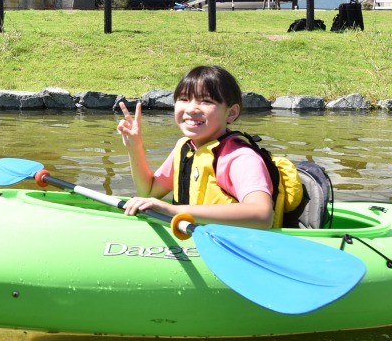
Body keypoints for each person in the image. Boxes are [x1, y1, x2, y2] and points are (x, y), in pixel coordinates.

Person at [116, 65, 276, 230]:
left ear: (231, 113)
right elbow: (148, 193)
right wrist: (135, 147)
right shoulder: (185, 147)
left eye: (206, 101)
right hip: (194, 233)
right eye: (184, 99)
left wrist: (173, 210)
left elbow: (262, 215)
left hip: (232, 245)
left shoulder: (240, 158)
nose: (191, 109)